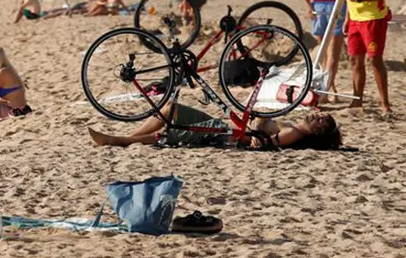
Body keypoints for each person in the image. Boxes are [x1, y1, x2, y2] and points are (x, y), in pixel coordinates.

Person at [87, 103, 342, 150]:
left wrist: (257, 138)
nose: (317, 116)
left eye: (322, 120)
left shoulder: (293, 133)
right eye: (321, 115)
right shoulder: (292, 123)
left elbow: (264, 145)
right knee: (170, 110)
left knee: (169, 131)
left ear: (318, 131)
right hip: (226, 127)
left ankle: (120, 140)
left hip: (227, 136)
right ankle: (125, 138)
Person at [334, 0, 392, 115]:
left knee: (375, 60)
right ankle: (357, 101)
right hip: (355, 20)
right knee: (354, 60)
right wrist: (349, 18)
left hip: (372, 19)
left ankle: (385, 104)